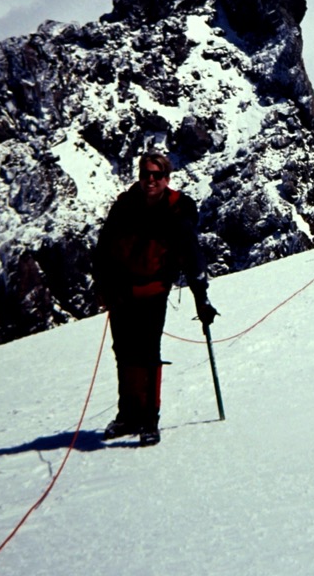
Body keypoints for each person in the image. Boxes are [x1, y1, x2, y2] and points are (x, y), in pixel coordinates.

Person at [92, 152, 218, 446]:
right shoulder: (124, 206)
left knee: (147, 352)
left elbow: (191, 255)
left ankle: (149, 419)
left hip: (153, 290)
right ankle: (129, 415)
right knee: (123, 352)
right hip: (121, 292)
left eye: (157, 175)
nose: (151, 180)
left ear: (166, 178)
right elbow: (104, 248)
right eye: (146, 173)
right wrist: (103, 285)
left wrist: (201, 297)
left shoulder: (177, 210)